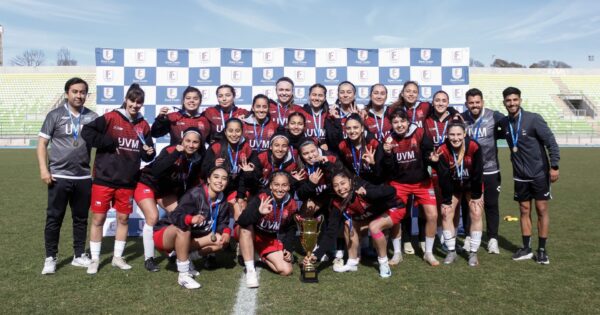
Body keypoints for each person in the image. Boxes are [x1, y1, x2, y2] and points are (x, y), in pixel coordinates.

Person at [81, 83, 156, 274]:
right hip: (104, 179)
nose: (135, 105)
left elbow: (148, 154)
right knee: (98, 218)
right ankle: (95, 259)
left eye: (139, 102)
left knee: (123, 219)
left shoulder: (143, 125)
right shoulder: (111, 117)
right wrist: (106, 142)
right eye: (132, 100)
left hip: (127, 181)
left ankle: (117, 257)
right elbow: (87, 132)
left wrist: (149, 152)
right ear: (126, 100)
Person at [38, 77, 98, 274]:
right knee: (54, 218)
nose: (79, 95)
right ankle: (50, 258)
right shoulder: (54, 115)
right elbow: (42, 144)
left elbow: (103, 146)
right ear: (67, 93)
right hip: (58, 176)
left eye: (82, 92)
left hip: (82, 177)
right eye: (75, 91)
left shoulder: (92, 117)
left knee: (80, 219)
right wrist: (44, 170)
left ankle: (79, 255)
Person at [499, 87, 560, 264]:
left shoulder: (534, 119)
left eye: (515, 100)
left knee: (541, 210)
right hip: (520, 175)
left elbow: (551, 142)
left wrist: (554, 166)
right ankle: (526, 248)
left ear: (520, 100)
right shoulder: (503, 123)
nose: (512, 103)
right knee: (524, 210)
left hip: (539, 174)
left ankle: (541, 250)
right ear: (504, 102)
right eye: (508, 100)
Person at [134, 127, 204, 272]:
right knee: (153, 217)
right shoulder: (171, 149)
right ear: (182, 140)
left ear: (200, 144)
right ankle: (149, 259)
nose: (191, 145)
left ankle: (175, 252)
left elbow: (190, 182)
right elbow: (157, 169)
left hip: (165, 191)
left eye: (195, 142)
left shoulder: (197, 158)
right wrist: (177, 153)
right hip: (147, 183)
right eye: (188, 141)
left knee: (180, 215)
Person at [153, 166, 232, 289]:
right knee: (183, 227)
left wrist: (226, 232)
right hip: (165, 234)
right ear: (208, 179)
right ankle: (183, 275)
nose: (220, 181)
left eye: (224, 178)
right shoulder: (195, 194)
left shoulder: (222, 201)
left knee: (220, 241)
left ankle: (185, 257)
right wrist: (190, 219)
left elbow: (223, 223)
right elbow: (175, 216)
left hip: (188, 238)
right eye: (216, 177)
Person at [379, 108, 440, 266]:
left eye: (402, 121)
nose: (399, 125)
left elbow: (428, 154)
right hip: (399, 183)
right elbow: (388, 167)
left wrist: (432, 159)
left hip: (422, 183)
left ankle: (428, 252)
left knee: (432, 215)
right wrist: (386, 154)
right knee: (396, 217)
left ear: (408, 121)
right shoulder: (388, 139)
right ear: (391, 124)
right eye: (395, 122)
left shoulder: (419, 133)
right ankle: (397, 253)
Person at [432, 121, 484, 266]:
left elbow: (478, 172)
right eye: (452, 135)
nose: (455, 138)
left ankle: (473, 252)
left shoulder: (474, 146)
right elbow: (443, 176)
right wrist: (447, 200)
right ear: (447, 135)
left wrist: (476, 196)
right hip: (453, 186)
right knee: (446, 213)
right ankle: (451, 251)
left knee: (476, 212)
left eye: (458, 134)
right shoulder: (442, 149)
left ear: (464, 134)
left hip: (471, 185)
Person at [461, 88, 505, 254]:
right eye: (471, 103)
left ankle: (493, 239)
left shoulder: (494, 116)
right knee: (468, 206)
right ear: (466, 104)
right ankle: (467, 237)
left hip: (490, 169)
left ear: (482, 102)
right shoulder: (461, 118)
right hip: (469, 171)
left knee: (491, 205)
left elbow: (509, 123)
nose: (474, 105)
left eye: (477, 102)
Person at [237, 171, 299, 288]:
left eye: (284, 185)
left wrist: (288, 248)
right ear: (270, 185)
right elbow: (242, 221)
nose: (280, 189)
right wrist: (259, 213)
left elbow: (292, 228)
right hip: (250, 234)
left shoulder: (292, 204)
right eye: (276, 184)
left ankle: (257, 255)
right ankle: (250, 271)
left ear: (289, 186)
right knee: (246, 228)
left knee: (286, 270)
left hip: (268, 239)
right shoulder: (262, 197)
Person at [201, 118, 257, 220]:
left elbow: (251, 180)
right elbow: (203, 171)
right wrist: (213, 165)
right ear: (225, 132)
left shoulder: (247, 148)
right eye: (230, 131)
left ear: (242, 131)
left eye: (237, 131)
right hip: (215, 188)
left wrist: (248, 173)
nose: (234, 134)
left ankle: (236, 233)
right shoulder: (216, 146)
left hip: (234, 190)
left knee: (240, 209)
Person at [335, 114, 381, 184]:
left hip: (374, 182)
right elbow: (343, 169)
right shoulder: (343, 146)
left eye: (355, 127)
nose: (352, 131)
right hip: (355, 183)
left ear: (362, 128)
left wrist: (373, 164)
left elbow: (381, 173)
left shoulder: (373, 143)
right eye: (348, 128)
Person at [302, 83, 329, 149]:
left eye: (320, 95)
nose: (317, 98)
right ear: (309, 96)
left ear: (325, 98)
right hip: (306, 152)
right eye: (314, 95)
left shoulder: (329, 114)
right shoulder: (301, 112)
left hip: (325, 153)